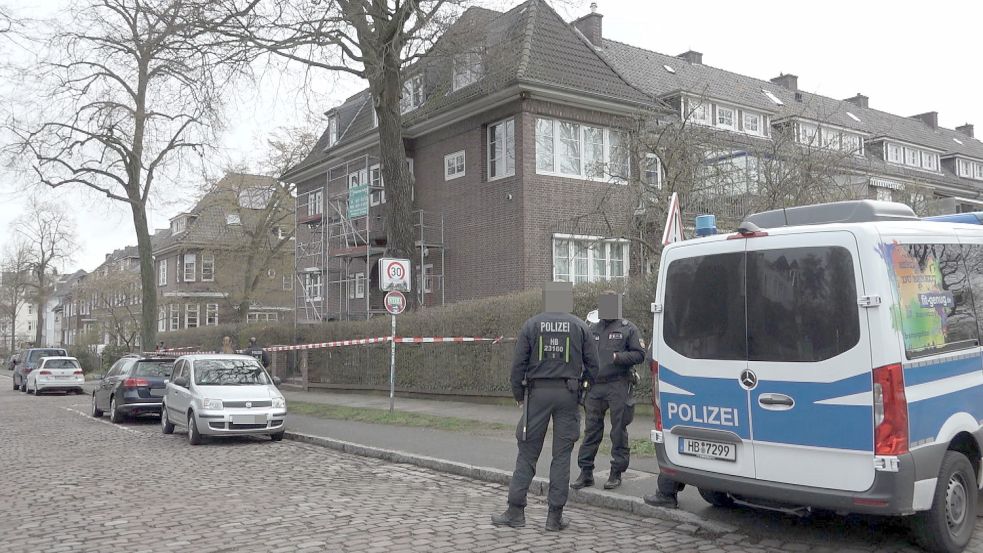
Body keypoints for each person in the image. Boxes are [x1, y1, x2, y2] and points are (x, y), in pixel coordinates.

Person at [491, 282, 599, 532]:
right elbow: (594, 367)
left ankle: (515, 512)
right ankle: (554, 517)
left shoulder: (531, 324)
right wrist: (582, 393)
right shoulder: (580, 326)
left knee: (527, 452)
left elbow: (518, 365)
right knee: (561, 456)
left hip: (537, 395)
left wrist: (519, 394)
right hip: (568, 394)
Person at [571, 291, 645, 491]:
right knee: (591, 431)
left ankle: (616, 472)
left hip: (618, 384)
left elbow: (640, 354)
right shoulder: (592, 328)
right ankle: (585, 472)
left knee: (618, 431)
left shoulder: (628, 328)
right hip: (595, 386)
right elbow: (582, 356)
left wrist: (617, 358)